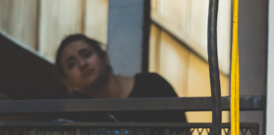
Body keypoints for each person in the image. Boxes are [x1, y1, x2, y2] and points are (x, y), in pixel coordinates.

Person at [54, 34, 185, 122]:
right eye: (72, 64)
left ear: (104, 57)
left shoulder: (153, 86)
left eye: (87, 54)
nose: (82, 64)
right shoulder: (89, 120)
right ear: (67, 82)